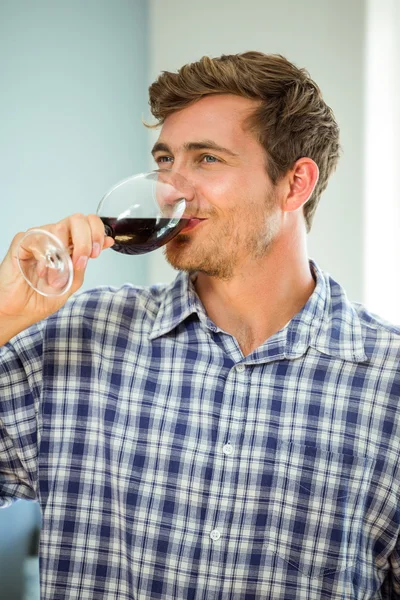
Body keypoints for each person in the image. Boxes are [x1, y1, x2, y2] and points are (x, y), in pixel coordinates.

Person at [0, 51, 399, 600]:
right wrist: (2, 316)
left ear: (295, 183)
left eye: (207, 159)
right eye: (166, 160)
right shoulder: (77, 337)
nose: (171, 189)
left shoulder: (390, 382)